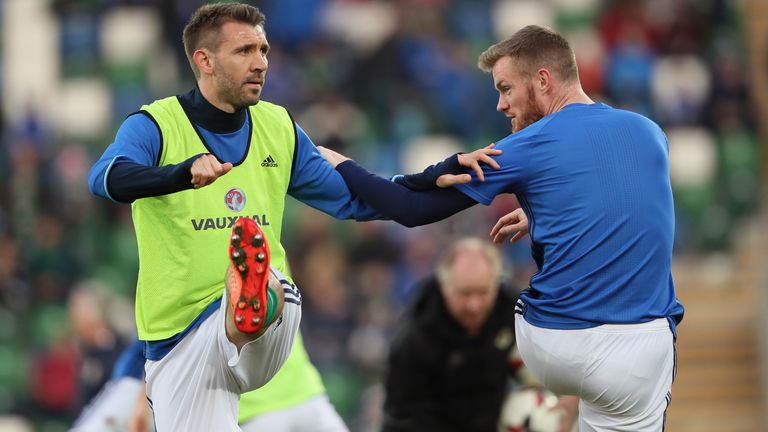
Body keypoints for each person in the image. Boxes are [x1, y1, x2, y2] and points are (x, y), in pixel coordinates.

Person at [86, 3, 464, 430]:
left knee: (267, 290)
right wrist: (179, 173)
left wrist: (457, 182)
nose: (261, 63)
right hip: (179, 337)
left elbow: (366, 200)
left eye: (263, 50)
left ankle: (250, 297)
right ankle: (246, 303)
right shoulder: (156, 125)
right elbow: (104, 177)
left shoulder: (278, 127)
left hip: (269, 318)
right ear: (204, 60)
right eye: (245, 51)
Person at [318, 24, 684, 431]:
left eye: (506, 88)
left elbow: (410, 209)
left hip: (557, 344)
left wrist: (342, 163)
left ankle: (519, 414)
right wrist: (546, 212)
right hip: (642, 350)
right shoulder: (651, 132)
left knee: (501, 312)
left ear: (542, 80)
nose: (500, 105)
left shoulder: (528, 145)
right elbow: (629, 199)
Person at [383, 237, 577, 432]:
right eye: (465, 294)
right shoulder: (413, 339)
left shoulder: (517, 314)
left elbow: (562, 356)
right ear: (445, 287)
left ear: (496, 284)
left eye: (483, 292)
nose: (474, 306)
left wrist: (570, 396)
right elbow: (404, 420)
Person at [70, 336, 348, 432]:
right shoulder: (269, 245)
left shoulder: (197, 273)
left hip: (254, 417)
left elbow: (162, 342)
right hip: (309, 401)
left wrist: (142, 398)